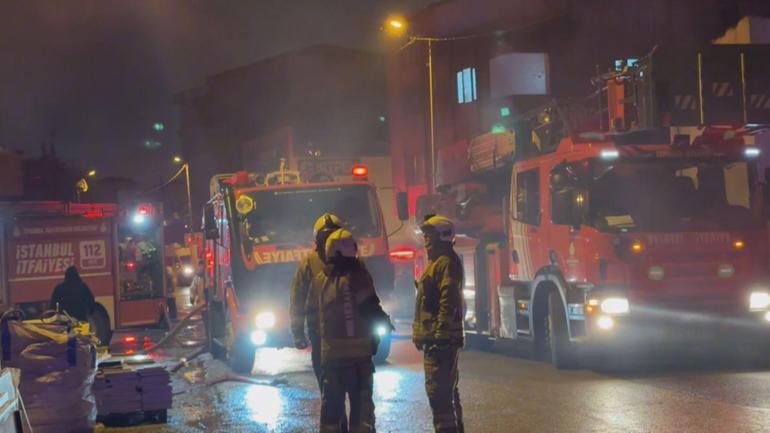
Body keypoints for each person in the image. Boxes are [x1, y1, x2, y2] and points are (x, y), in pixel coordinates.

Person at [317, 228, 390, 433]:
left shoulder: (320, 279)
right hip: (358, 360)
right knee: (361, 411)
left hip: (331, 359)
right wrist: (384, 322)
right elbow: (370, 307)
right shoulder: (357, 277)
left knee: (331, 411)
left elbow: (313, 316)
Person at [413, 215, 465, 433]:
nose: (425, 240)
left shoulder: (445, 263)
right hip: (437, 339)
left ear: (442, 236)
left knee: (440, 395)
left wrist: (440, 334)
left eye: (429, 235)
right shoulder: (438, 262)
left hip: (440, 341)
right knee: (445, 393)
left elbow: (448, 300)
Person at [290, 213, 343, 387]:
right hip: (321, 331)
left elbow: (365, 295)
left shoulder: (351, 261)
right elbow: (298, 299)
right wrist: (297, 332)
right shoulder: (309, 263)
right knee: (327, 379)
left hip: (341, 331)